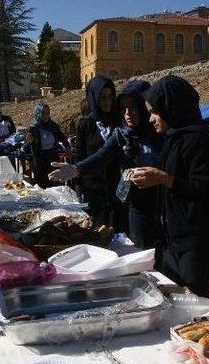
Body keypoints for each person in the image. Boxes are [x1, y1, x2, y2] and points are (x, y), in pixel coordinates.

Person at [129, 75, 209, 297]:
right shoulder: (173, 137)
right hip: (174, 236)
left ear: (171, 107)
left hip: (194, 238)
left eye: (155, 112)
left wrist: (164, 179)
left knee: (191, 302)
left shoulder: (197, 140)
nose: (150, 119)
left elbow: (205, 189)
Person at [49, 80, 162, 249]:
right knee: (140, 249)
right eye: (123, 108)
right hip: (135, 204)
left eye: (133, 107)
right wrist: (76, 169)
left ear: (144, 105)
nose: (127, 114)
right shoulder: (122, 134)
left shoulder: (160, 132)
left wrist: (158, 176)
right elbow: (101, 156)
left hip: (163, 203)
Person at [74, 75, 125, 230]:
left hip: (117, 189)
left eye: (110, 96)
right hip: (93, 190)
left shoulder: (119, 121)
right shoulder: (85, 124)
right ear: (94, 97)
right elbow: (79, 156)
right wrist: (78, 188)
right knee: (98, 232)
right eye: (102, 97)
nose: (107, 101)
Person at [25, 103, 70, 188]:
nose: (46, 116)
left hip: (53, 158)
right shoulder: (33, 128)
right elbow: (26, 146)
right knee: (42, 186)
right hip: (40, 160)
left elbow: (62, 137)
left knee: (55, 183)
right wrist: (29, 142)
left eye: (48, 113)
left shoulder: (53, 126)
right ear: (38, 114)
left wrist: (67, 147)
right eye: (43, 114)